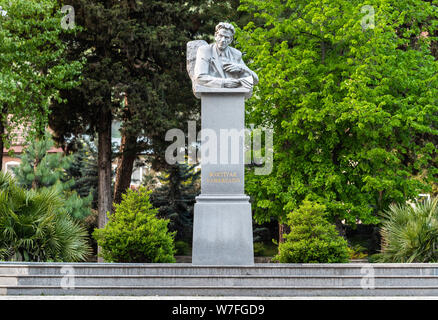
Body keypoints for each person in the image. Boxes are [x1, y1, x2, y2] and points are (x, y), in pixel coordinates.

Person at [194, 22, 258, 89]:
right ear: (215, 36)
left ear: (231, 40)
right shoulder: (205, 51)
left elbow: (255, 80)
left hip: (235, 95)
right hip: (212, 95)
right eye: (220, 36)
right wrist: (223, 83)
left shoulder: (236, 54)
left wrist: (241, 68)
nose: (223, 40)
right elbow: (199, 77)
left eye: (226, 37)